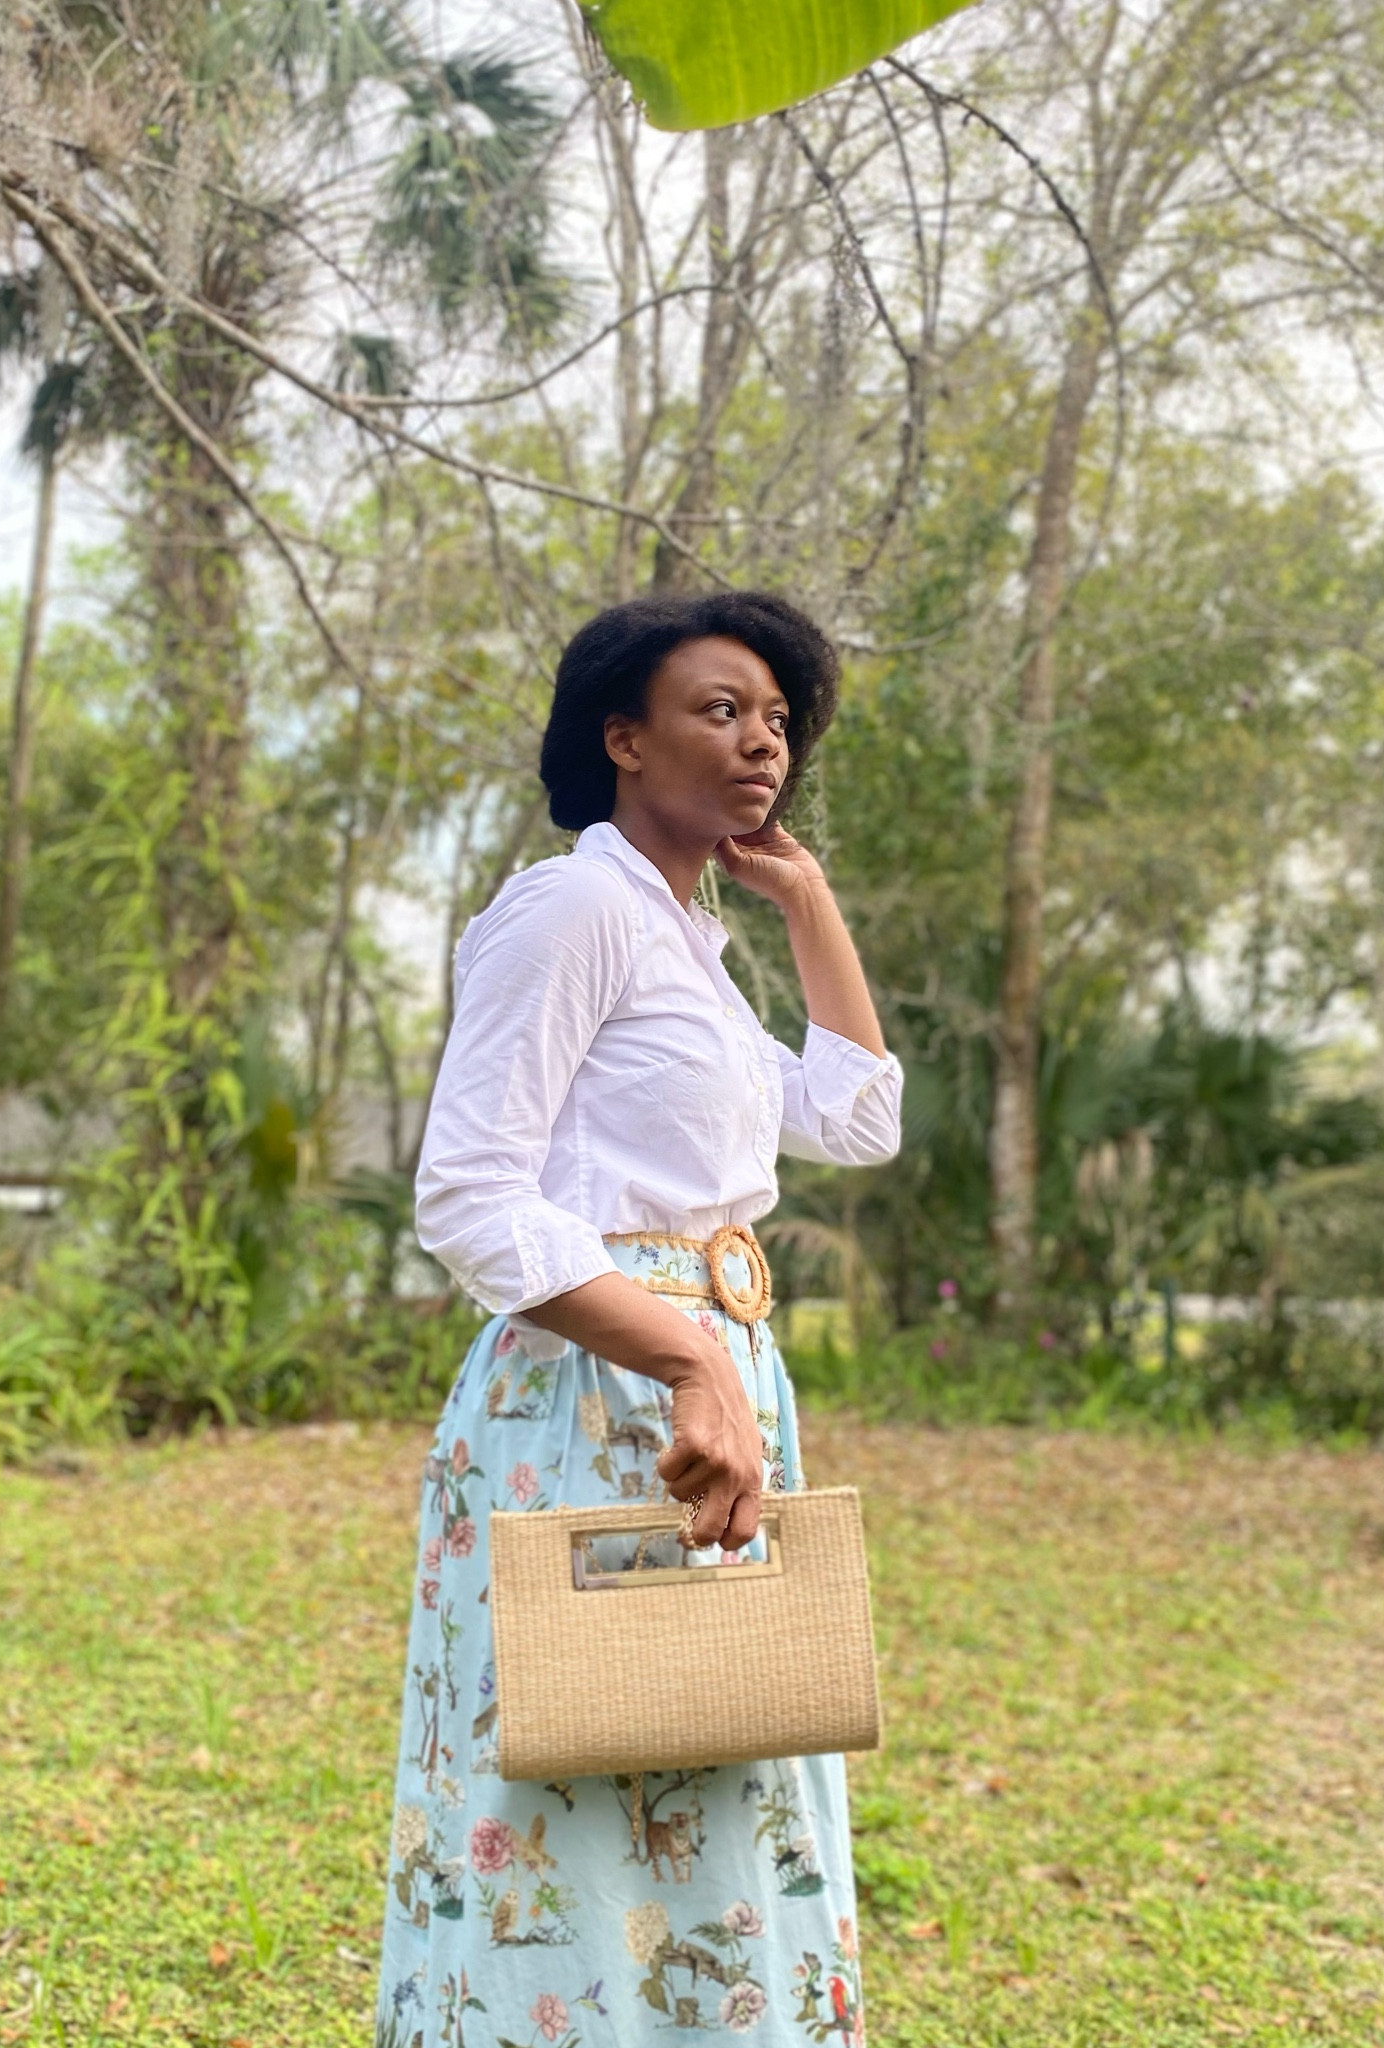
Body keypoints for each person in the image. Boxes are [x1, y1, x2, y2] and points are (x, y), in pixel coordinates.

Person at [375, 590, 903, 2048]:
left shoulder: (693, 944)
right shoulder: (575, 909)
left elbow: (857, 1117)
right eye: (720, 710)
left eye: (778, 722)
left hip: (713, 1380)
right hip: (599, 1387)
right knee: (572, 1764)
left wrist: (803, 897)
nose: (761, 744)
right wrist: (686, 1358)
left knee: (720, 1751)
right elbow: (472, 1195)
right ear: (624, 739)